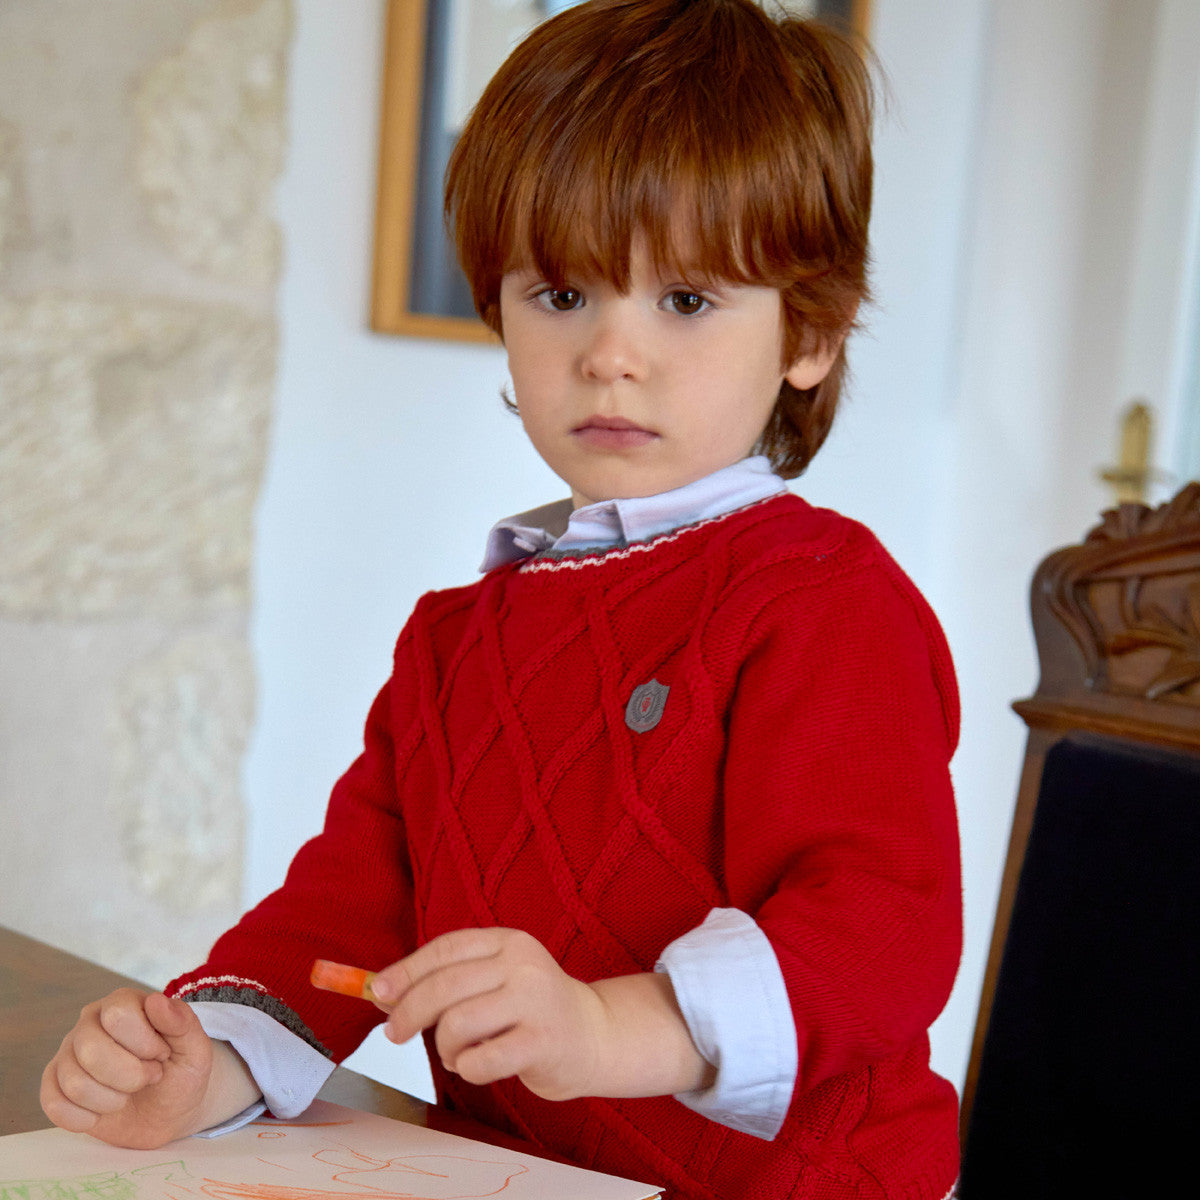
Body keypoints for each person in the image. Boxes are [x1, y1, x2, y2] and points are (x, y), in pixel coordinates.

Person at [40, 1, 962, 1197]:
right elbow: (345, 902)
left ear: (813, 335)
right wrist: (206, 1063)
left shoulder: (827, 600)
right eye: (562, 295)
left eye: (684, 301)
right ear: (498, 307)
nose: (610, 354)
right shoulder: (454, 638)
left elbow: (881, 922)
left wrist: (610, 1029)